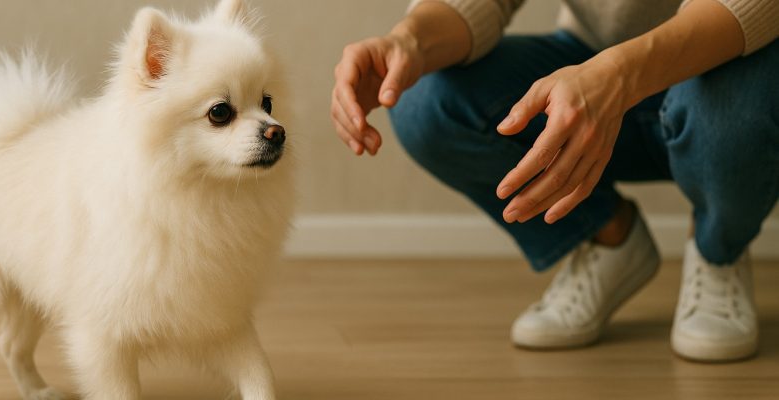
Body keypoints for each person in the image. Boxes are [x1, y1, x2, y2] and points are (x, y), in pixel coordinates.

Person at [330, 0, 778, 362]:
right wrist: (408, 42)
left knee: (733, 114)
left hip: (732, 67)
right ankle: (609, 239)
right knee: (425, 99)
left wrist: (619, 75)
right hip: (591, 57)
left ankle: (719, 246)